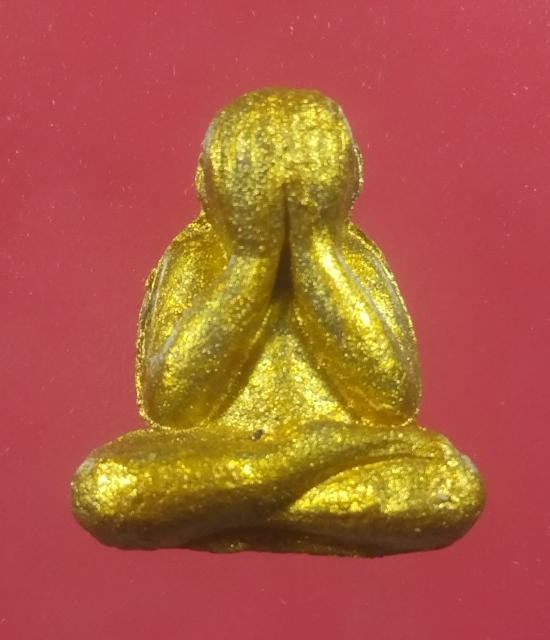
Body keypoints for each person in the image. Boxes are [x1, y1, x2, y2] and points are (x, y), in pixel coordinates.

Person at [72, 89, 484, 556]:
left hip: (247, 470)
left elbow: (391, 401)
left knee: (453, 488)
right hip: (265, 453)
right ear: (211, 184)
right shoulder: (195, 257)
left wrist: (315, 250)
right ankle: (298, 493)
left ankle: (238, 505)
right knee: (106, 488)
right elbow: (172, 407)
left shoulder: (352, 257)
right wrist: (251, 260)